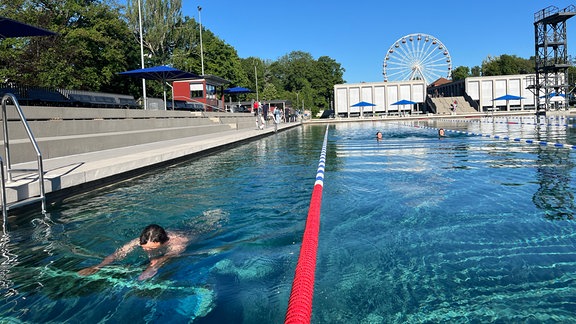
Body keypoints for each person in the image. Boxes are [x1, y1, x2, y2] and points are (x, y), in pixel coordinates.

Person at [78, 224, 189, 280]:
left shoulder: (178, 242)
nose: (146, 250)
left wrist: (152, 268)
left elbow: (169, 256)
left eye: (151, 248)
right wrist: (98, 266)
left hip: (190, 231)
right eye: (144, 247)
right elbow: (117, 254)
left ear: (163, 242)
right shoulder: (138, 241)